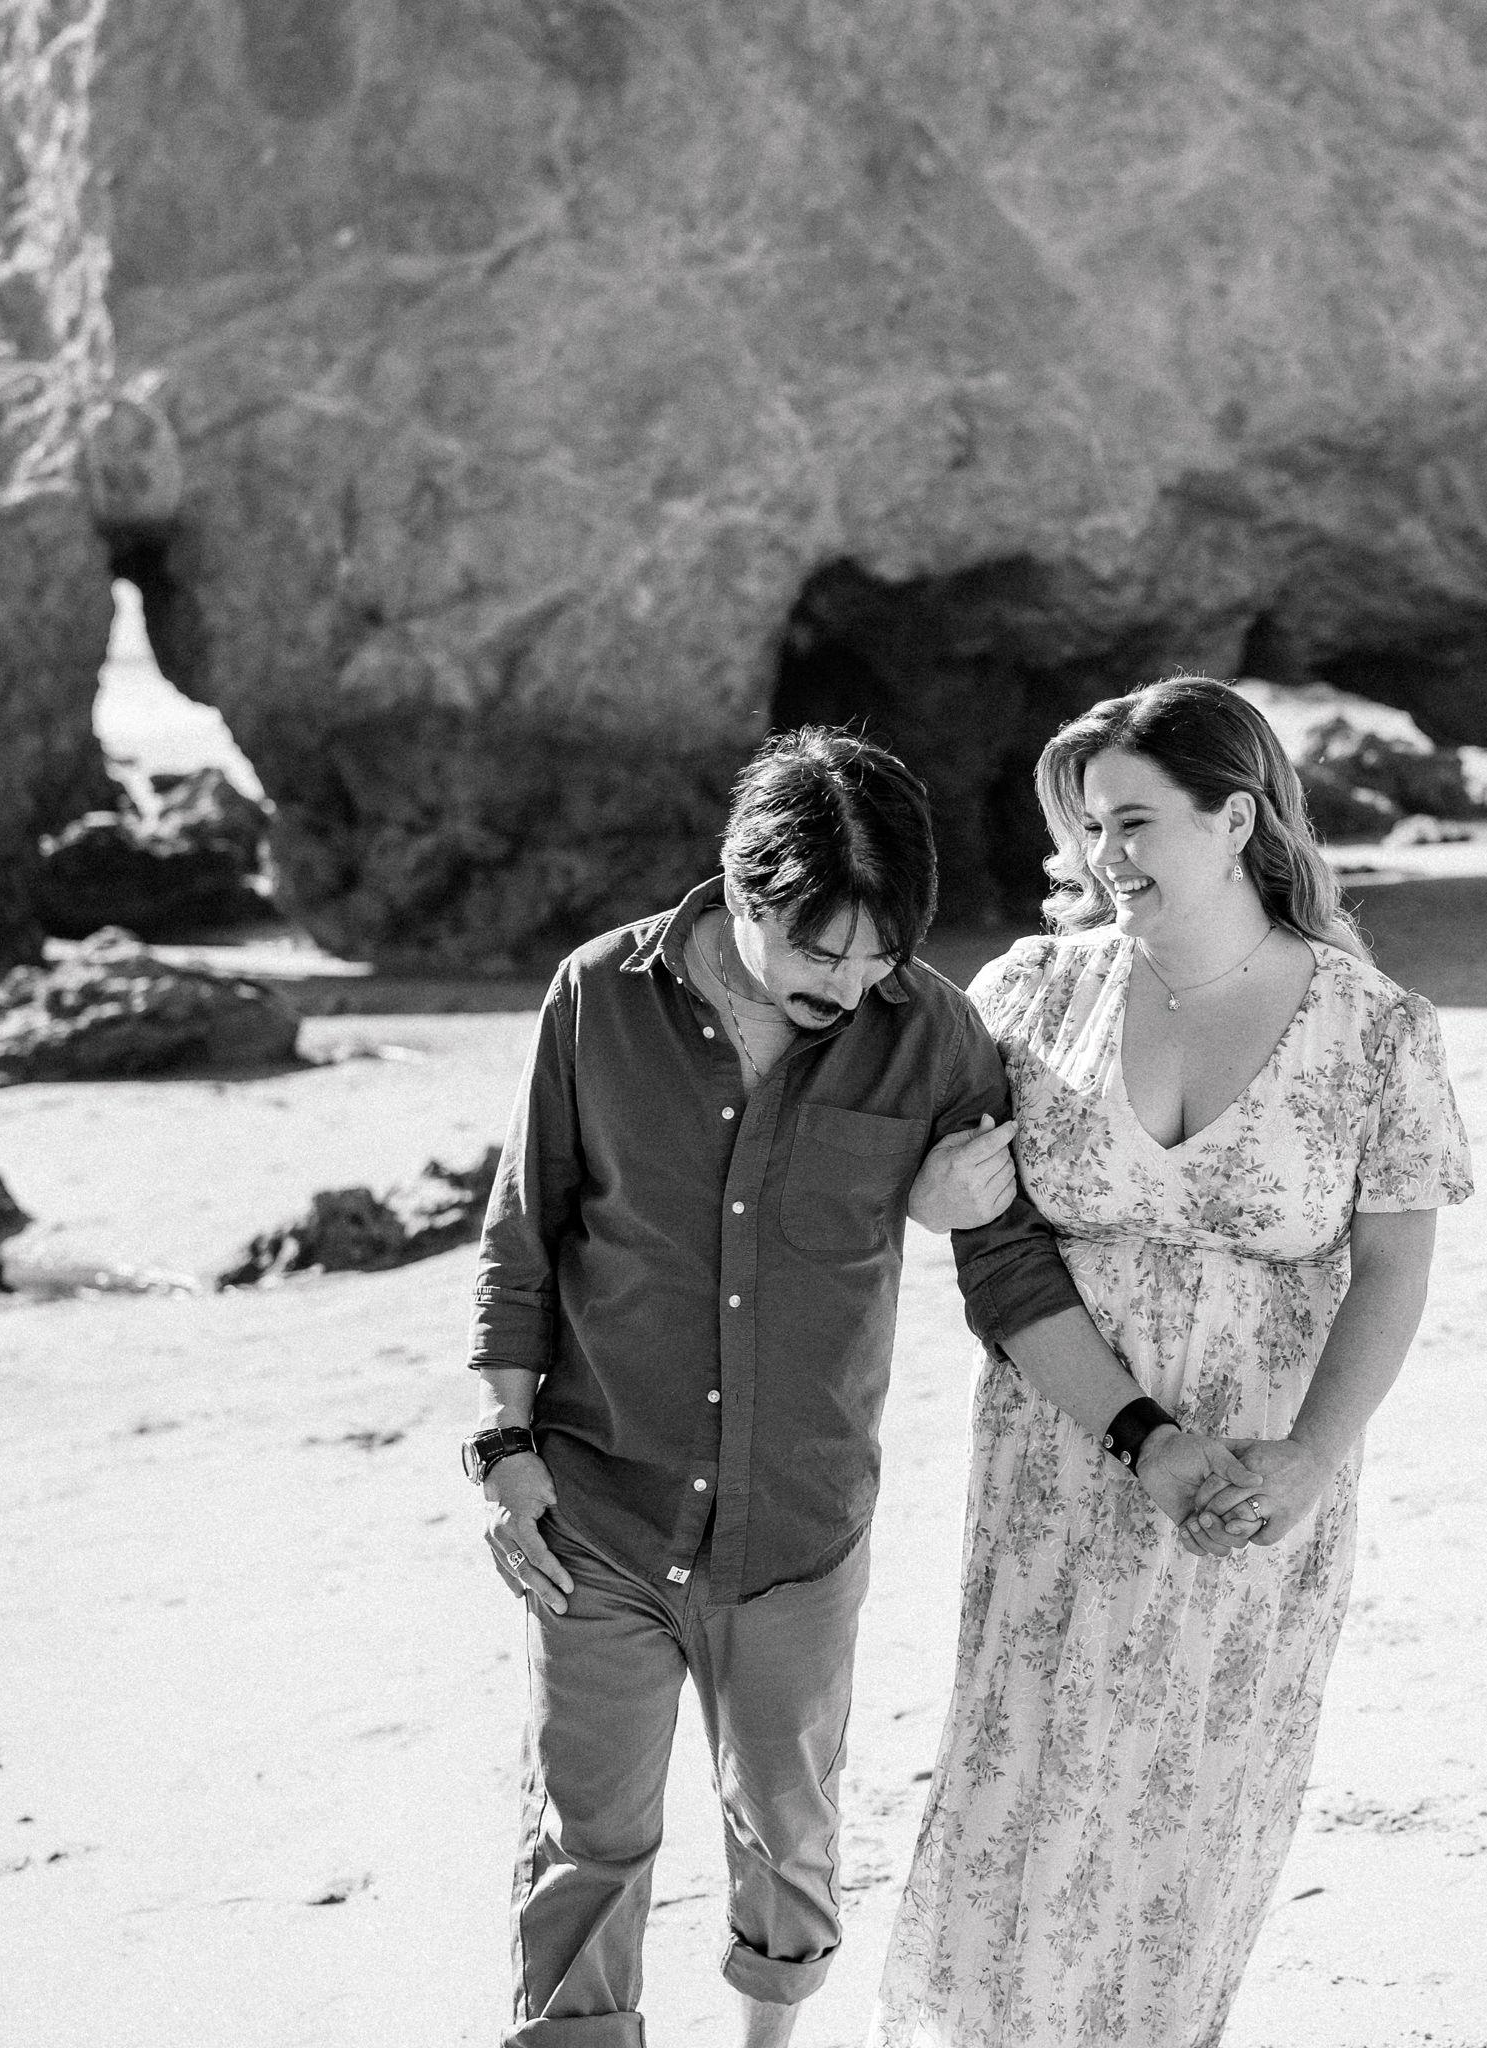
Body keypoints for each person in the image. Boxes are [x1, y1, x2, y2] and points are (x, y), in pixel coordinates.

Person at [465, 726, 1260, 2048]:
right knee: (584, 1843)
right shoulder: (598, 997)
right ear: (742, 887)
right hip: (595, 1510)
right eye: (821, 953)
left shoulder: (933, 1039)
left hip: (796, 1526)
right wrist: (502, 1446)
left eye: (881, 953)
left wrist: (1142, 1433)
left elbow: (1013, 1276)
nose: (852, 985)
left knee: (786, 1831)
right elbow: (523, 1239)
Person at [869, 678, 1474, 2048]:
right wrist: (931, 1200)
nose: (1105, 856)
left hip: (1258, 1485)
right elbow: (986, 1238)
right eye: (1090, 827)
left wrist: (1307, 1458)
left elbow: (1393, 1271)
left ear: (1237, 818)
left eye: (1135, 821)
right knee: (1023, 1786)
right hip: (1061, 1456)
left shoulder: (1378, 1029)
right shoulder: (1031, 995)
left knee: (1195, 1808)